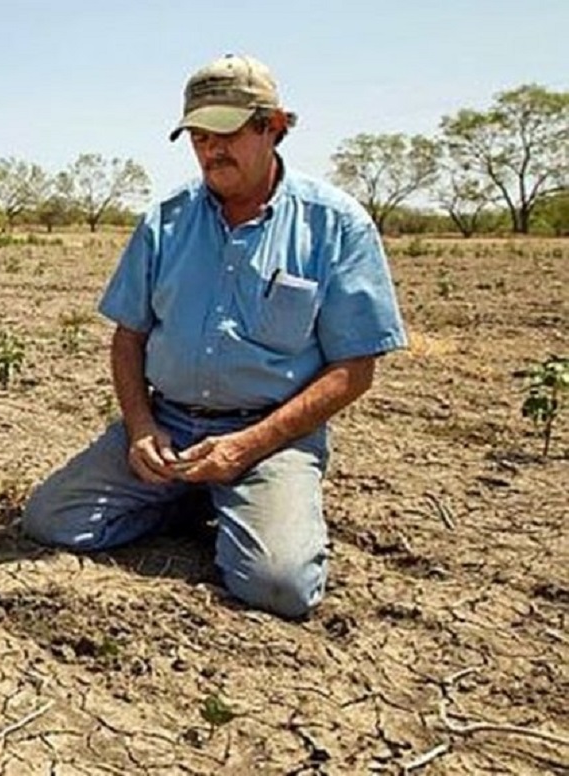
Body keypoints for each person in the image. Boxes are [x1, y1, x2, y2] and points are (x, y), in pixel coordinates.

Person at [20, 54, 407, 620]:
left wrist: (244, 448)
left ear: (274, 127)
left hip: (269, 438)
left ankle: (241, 501)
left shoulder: (335, 224)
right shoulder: (165, 221)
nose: (211, 150)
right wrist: (141, 427)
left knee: (279, 586)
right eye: (199, 136)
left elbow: (355, 369)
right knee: (51, 520)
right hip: (169, 427)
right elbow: (128, 338)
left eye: (227, 133)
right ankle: (188, 496)